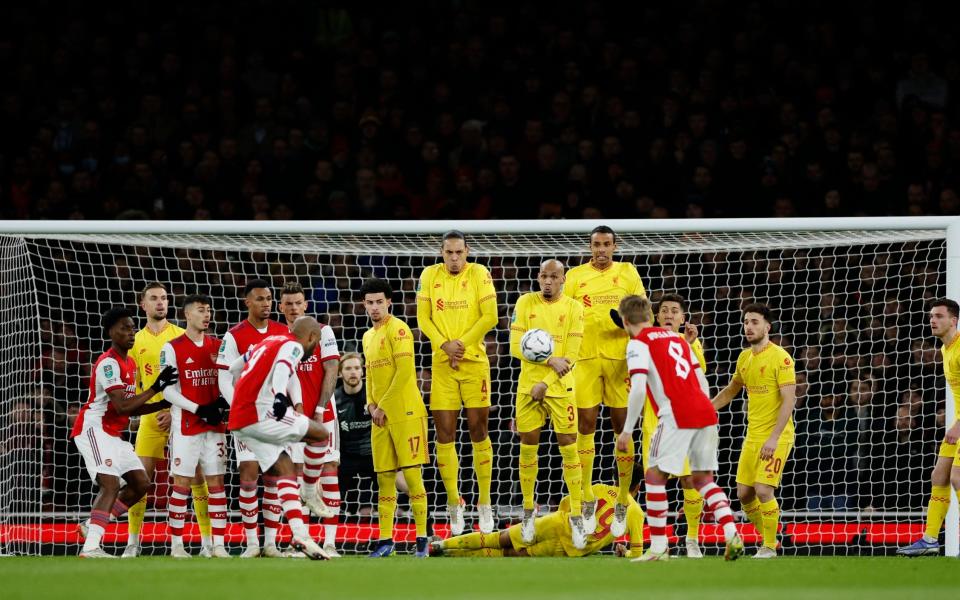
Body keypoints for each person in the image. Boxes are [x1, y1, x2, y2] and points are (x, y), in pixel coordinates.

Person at [615, 295, 744, 562]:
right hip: (704, 411)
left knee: (653, 478)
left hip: (676, 414)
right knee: (702, 480)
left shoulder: (638, 343)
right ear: (651, 317)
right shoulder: (680, 341)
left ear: (626, 321)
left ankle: (659, 547)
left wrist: (627, 430)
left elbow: (638, 388)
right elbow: (701, 379)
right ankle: (732, 533)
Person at [72, 307, 179, 558]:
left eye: (132, 328)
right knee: (109, 485)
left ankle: (91, 527)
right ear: (111, 332)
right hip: (94, 429)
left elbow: (131, 408)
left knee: (141, 483)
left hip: (113, 433)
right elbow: (122, 405)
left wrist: (164, 403)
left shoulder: (130, 362)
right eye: (124, 328)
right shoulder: (108, 363)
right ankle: (91, 547)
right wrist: (155, 388)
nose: (130, 333)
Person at [226, 316, 333, 560]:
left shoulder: (265, 342)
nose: (313, 350)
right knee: (320, 433)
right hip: (261, 414)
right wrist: (278, 397)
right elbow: (284, 367)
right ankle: (308, 491)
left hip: (240, 422)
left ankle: (300, 535)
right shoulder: (293, 344)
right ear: (312, 337)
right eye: (315, 345)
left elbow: (233, 368)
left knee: (285, 468)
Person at [217, 279, 309, 558]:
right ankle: (251, 544)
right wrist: (239, 408)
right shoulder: (234, 335)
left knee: (275, 473)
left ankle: (270, 543)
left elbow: (288, 372)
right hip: (247, 415)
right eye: (259, 299)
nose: (266, 303)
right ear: (247, 302)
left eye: (269, 298)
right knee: (248, 474)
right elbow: (225, 376)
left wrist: (299, 403)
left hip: (276, 414)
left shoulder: (284, 332)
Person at [416, 229, 498, 534]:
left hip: (474, 363)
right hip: (442, 365)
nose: (453, 258)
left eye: (458, 252)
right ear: (441, 252)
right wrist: (444, 345)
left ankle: (485, 503)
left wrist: (461, 344)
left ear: (467, 251)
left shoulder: (480, 274)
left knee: (479, 430)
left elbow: (490, 316)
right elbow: (423, 319)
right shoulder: (429, 276)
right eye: (448, 252)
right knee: (444, 433)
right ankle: (454, 504)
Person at [564, 225, 646, 530]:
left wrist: (624, 322)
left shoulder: (628, 272)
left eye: (606, 244)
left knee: (622, 429)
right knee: (584, 426)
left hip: (619, 361)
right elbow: (565, 312)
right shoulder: (574, 276)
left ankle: (623, 499)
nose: (601, 250)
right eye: (596, 245)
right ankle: (586, 496)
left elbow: (643, 313)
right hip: (584, 360)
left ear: (615, 246)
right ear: (589, 247)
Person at [125, 282, 213, 558]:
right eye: (154, 298)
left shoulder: (180, 335)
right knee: (139, 478)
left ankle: (207, 541)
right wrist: (135, 414)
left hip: (181, 415)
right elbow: (132, 382)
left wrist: (172, 409)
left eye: (163, 298)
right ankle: (132, 541)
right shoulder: (134, 341)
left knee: (196, 477)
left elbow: (192, 379)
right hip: (150, 418)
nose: (160, 303)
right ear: (143, 304)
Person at [508, 259, 587, 549]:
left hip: (560, 388)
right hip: (529, 388)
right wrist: (546, 359)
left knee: (569, 448)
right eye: (544, 276)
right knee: (528, 448)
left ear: (563, 279)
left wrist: (547, 381)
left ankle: (577, 516)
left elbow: (573, 356)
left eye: (554, 276)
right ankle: (528, 511)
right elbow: (515, 346)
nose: (548, 281)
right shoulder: (524, 303)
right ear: (538, 277)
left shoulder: (575, 308)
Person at [712, 303, 797, 559]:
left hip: (777, 435)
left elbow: (789, 400)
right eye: (746, 322)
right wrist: (706, 409)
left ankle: (769, 546)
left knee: (763, 490)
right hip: (753, 435)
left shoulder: (781, 357)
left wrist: (773, 438)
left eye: (755, 322)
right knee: (744, 494)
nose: (749, 326)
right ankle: (773, 537)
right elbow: (731, 390)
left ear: (767, 327)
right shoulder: (744, 358)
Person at [431, 466, 646, 558]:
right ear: (637, 486)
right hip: (569, 548)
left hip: (557, 522)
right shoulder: (636, 512)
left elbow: (565, 501)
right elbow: (636, 553)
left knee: (500, 538)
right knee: (511, 554)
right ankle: (451, 554)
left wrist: (561, 516)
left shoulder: (598, 488)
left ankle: (441, 545)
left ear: (617, 478)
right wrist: (624, 552)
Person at [360, 277, 430, 558]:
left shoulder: (399, 330)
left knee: (412, 476)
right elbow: (370, 377)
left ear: (389, 302)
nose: (375, 307)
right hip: (380, 416)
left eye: (379, 302)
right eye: (370, 303)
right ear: (364, 305)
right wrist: (369, 405)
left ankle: (422, 538)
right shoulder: (367, 336)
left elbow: (404, 373)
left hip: (406, 413)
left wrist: (382, 407)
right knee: (385, 479)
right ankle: (385, 540)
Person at [158, 294, 231, 558]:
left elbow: (229, 378)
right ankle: (177, 545)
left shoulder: (219, 345)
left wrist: (222, 403)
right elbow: (167, 391)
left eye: (209, 310)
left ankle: (218, 546)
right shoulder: (172, 347)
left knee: (217, 483)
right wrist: (199, 408)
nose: (207, 315)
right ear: (187, 314)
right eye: (201, 310)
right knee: (182, 483)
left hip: (214, 426)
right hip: (186, 426)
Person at [641, 293, 707, 557]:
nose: (669, 314)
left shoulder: (692, 343)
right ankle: (659, 543)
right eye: (664, 310)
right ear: (656, 316)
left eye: (674, 311)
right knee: (656, 481)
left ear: (682, 318)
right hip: (655, 423)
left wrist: (688, 345)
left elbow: (697, 381)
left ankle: (691, 539)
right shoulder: (645, 341)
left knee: (690, 480)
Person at [278, 281, 341, 557]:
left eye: (298, 303)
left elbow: (331, 368)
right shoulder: (279, 336)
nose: (293, 309)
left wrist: (319, 407)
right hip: (291, 419)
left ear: (306, 305)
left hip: (322, 414)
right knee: (297, 476)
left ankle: (330, 542)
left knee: (328, 473)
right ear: (281, 307)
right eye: (288, 304)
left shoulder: (322, 331)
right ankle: (304, 541)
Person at [898, 298, 960, 556]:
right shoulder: (946, 349)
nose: (932, 320)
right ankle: (930, 539)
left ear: (953, 321)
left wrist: (958, 426)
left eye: (939, 316)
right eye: (931, 316)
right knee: (939, 477)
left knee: (957, 477)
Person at [335, 353, 376, 515]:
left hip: (373, 454)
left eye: (357, 368)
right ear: (339, 373)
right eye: (348, 368)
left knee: (401, 482)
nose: (353, 372)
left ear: (363, 372)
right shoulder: (334, 398)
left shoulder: (373, 394)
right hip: (346, 456)